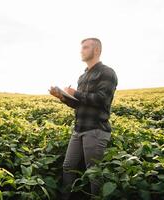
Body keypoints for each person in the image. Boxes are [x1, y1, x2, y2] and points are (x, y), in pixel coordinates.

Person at [49, 37, 118, 199]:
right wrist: (63, 97)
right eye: (82, 48)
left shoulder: (107, 72)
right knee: (68, 166)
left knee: (93, 173)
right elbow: (79, 104)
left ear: (97, 50)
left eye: (86, 47)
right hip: (79, 128)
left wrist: (76, 93)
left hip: (96, 129)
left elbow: (102, 99)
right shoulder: (82, 77)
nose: (82, 50)